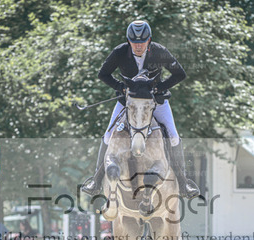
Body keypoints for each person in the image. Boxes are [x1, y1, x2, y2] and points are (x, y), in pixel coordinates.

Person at [81, 20, 200, 199]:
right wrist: (120, 87)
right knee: (107, 135)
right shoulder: (120, 52)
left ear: (149, 40)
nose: (138, 46)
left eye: (142, 42)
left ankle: (184, 183)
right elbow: (103, 74)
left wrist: (160, 88)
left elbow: (180, 74)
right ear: (128, 41)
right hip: (128, 103)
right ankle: (96, 181)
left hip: (155, 102)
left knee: (174, 136)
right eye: (134, 42)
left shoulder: (159, 51)